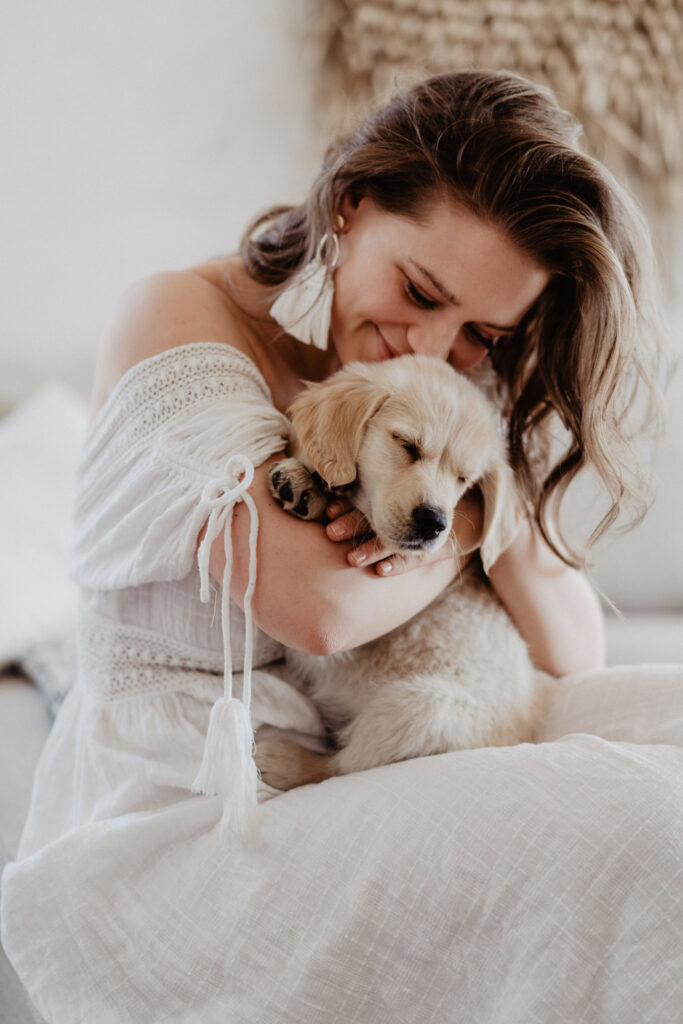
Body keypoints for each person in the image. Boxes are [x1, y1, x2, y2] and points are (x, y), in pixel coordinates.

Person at [2, 70, 674, 1023]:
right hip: (202, 808)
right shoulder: (180, 316)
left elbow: (572, 651)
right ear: (351, 204)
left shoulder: (438, 399)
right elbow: (315, 608)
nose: (433, 347)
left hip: (360, 770)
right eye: (419, 290)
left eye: (481, 333)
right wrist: (461, 513)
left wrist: (466, 505)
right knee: (642, 834)